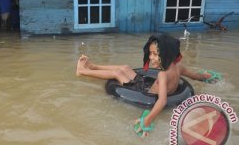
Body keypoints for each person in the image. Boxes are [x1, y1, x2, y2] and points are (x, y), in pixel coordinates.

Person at [76, 33, 216, 137]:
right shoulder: (179, 67)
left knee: (118, 73)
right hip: (146, 87)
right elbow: (196, 76)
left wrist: (147, 120)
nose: (150, 58)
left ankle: (82, 71)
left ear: (166, 54)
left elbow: (162, 101)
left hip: (145, 93)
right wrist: (206, 77)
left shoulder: (162, 75)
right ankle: (93, 66)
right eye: (150, 53)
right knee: (125, 67)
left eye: (155, 54)